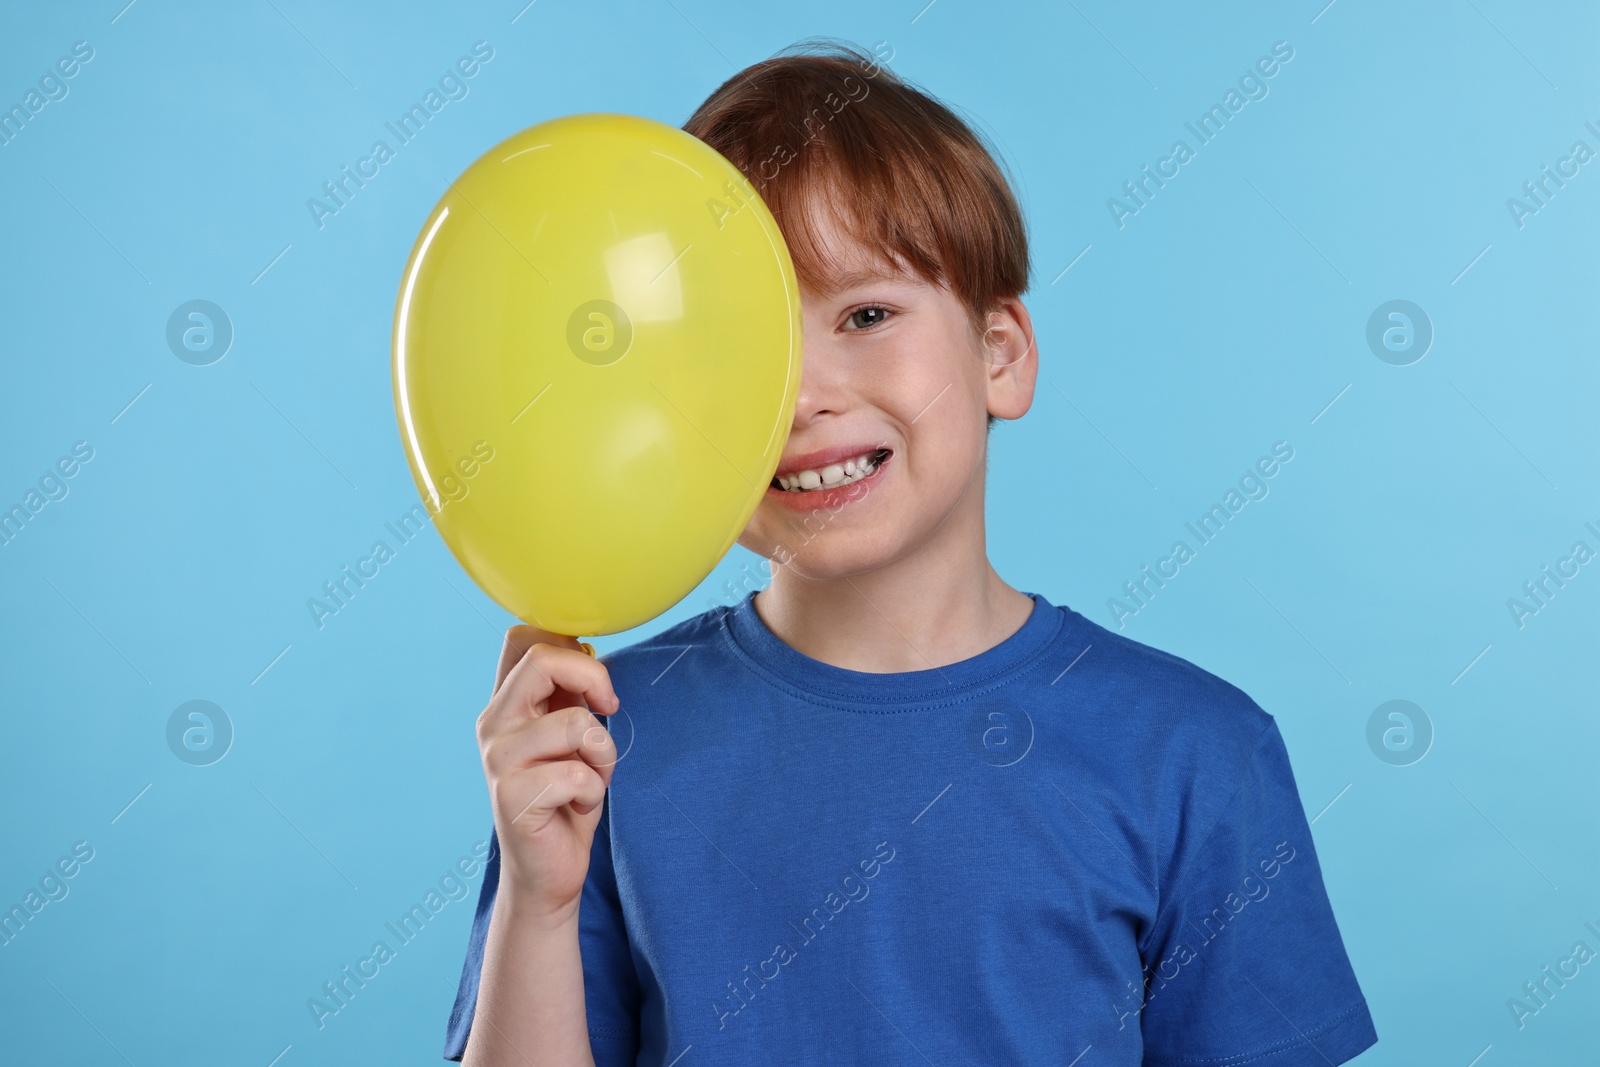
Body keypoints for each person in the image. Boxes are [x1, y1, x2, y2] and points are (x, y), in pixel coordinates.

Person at [445, 37, 1378, 1067]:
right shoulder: (600, 739)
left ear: (1000, 356)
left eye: (867, 313)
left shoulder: (1194, 752)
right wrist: (537, 898)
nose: (801, 395)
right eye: (737, 340)